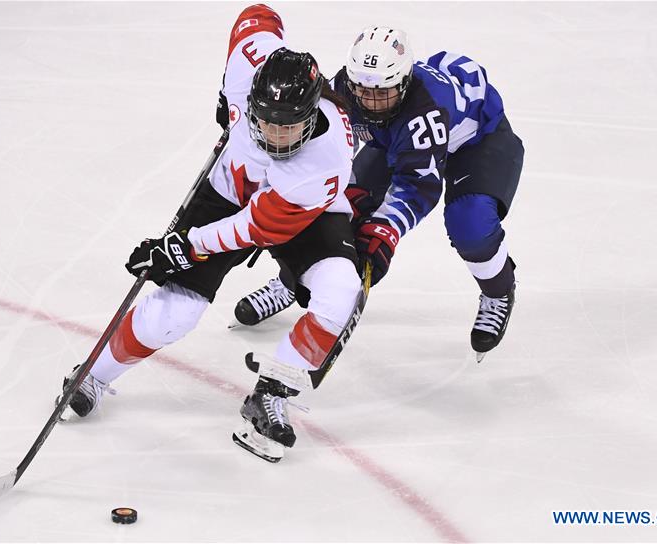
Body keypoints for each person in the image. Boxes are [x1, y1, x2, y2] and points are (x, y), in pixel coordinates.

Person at [59, 4, 361, 463]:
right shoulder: (248, 65)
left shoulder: (324, 160)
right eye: (264, 121)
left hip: (304, 212)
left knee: (340, 291)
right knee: (175, 313)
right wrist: (225, 93)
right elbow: (257, 16)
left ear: (312, 110)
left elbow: (252, 228)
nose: (274, 137)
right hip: (226, 192)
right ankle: (93, 374)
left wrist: (183, 247)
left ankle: (271, 393)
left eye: (288, 128)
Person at [232, 26, 524, 362]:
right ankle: (291, 280)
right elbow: (322, 146)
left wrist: (385, 230)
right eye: (363, 90)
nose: (370, 102)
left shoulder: (425, 110)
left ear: (404, 81)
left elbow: (416, 187)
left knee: (469, 225)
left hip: (476, 145)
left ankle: (498, 290)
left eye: (382, 92)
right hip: (396, 140)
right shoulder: (345, 88)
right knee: (339, 209)